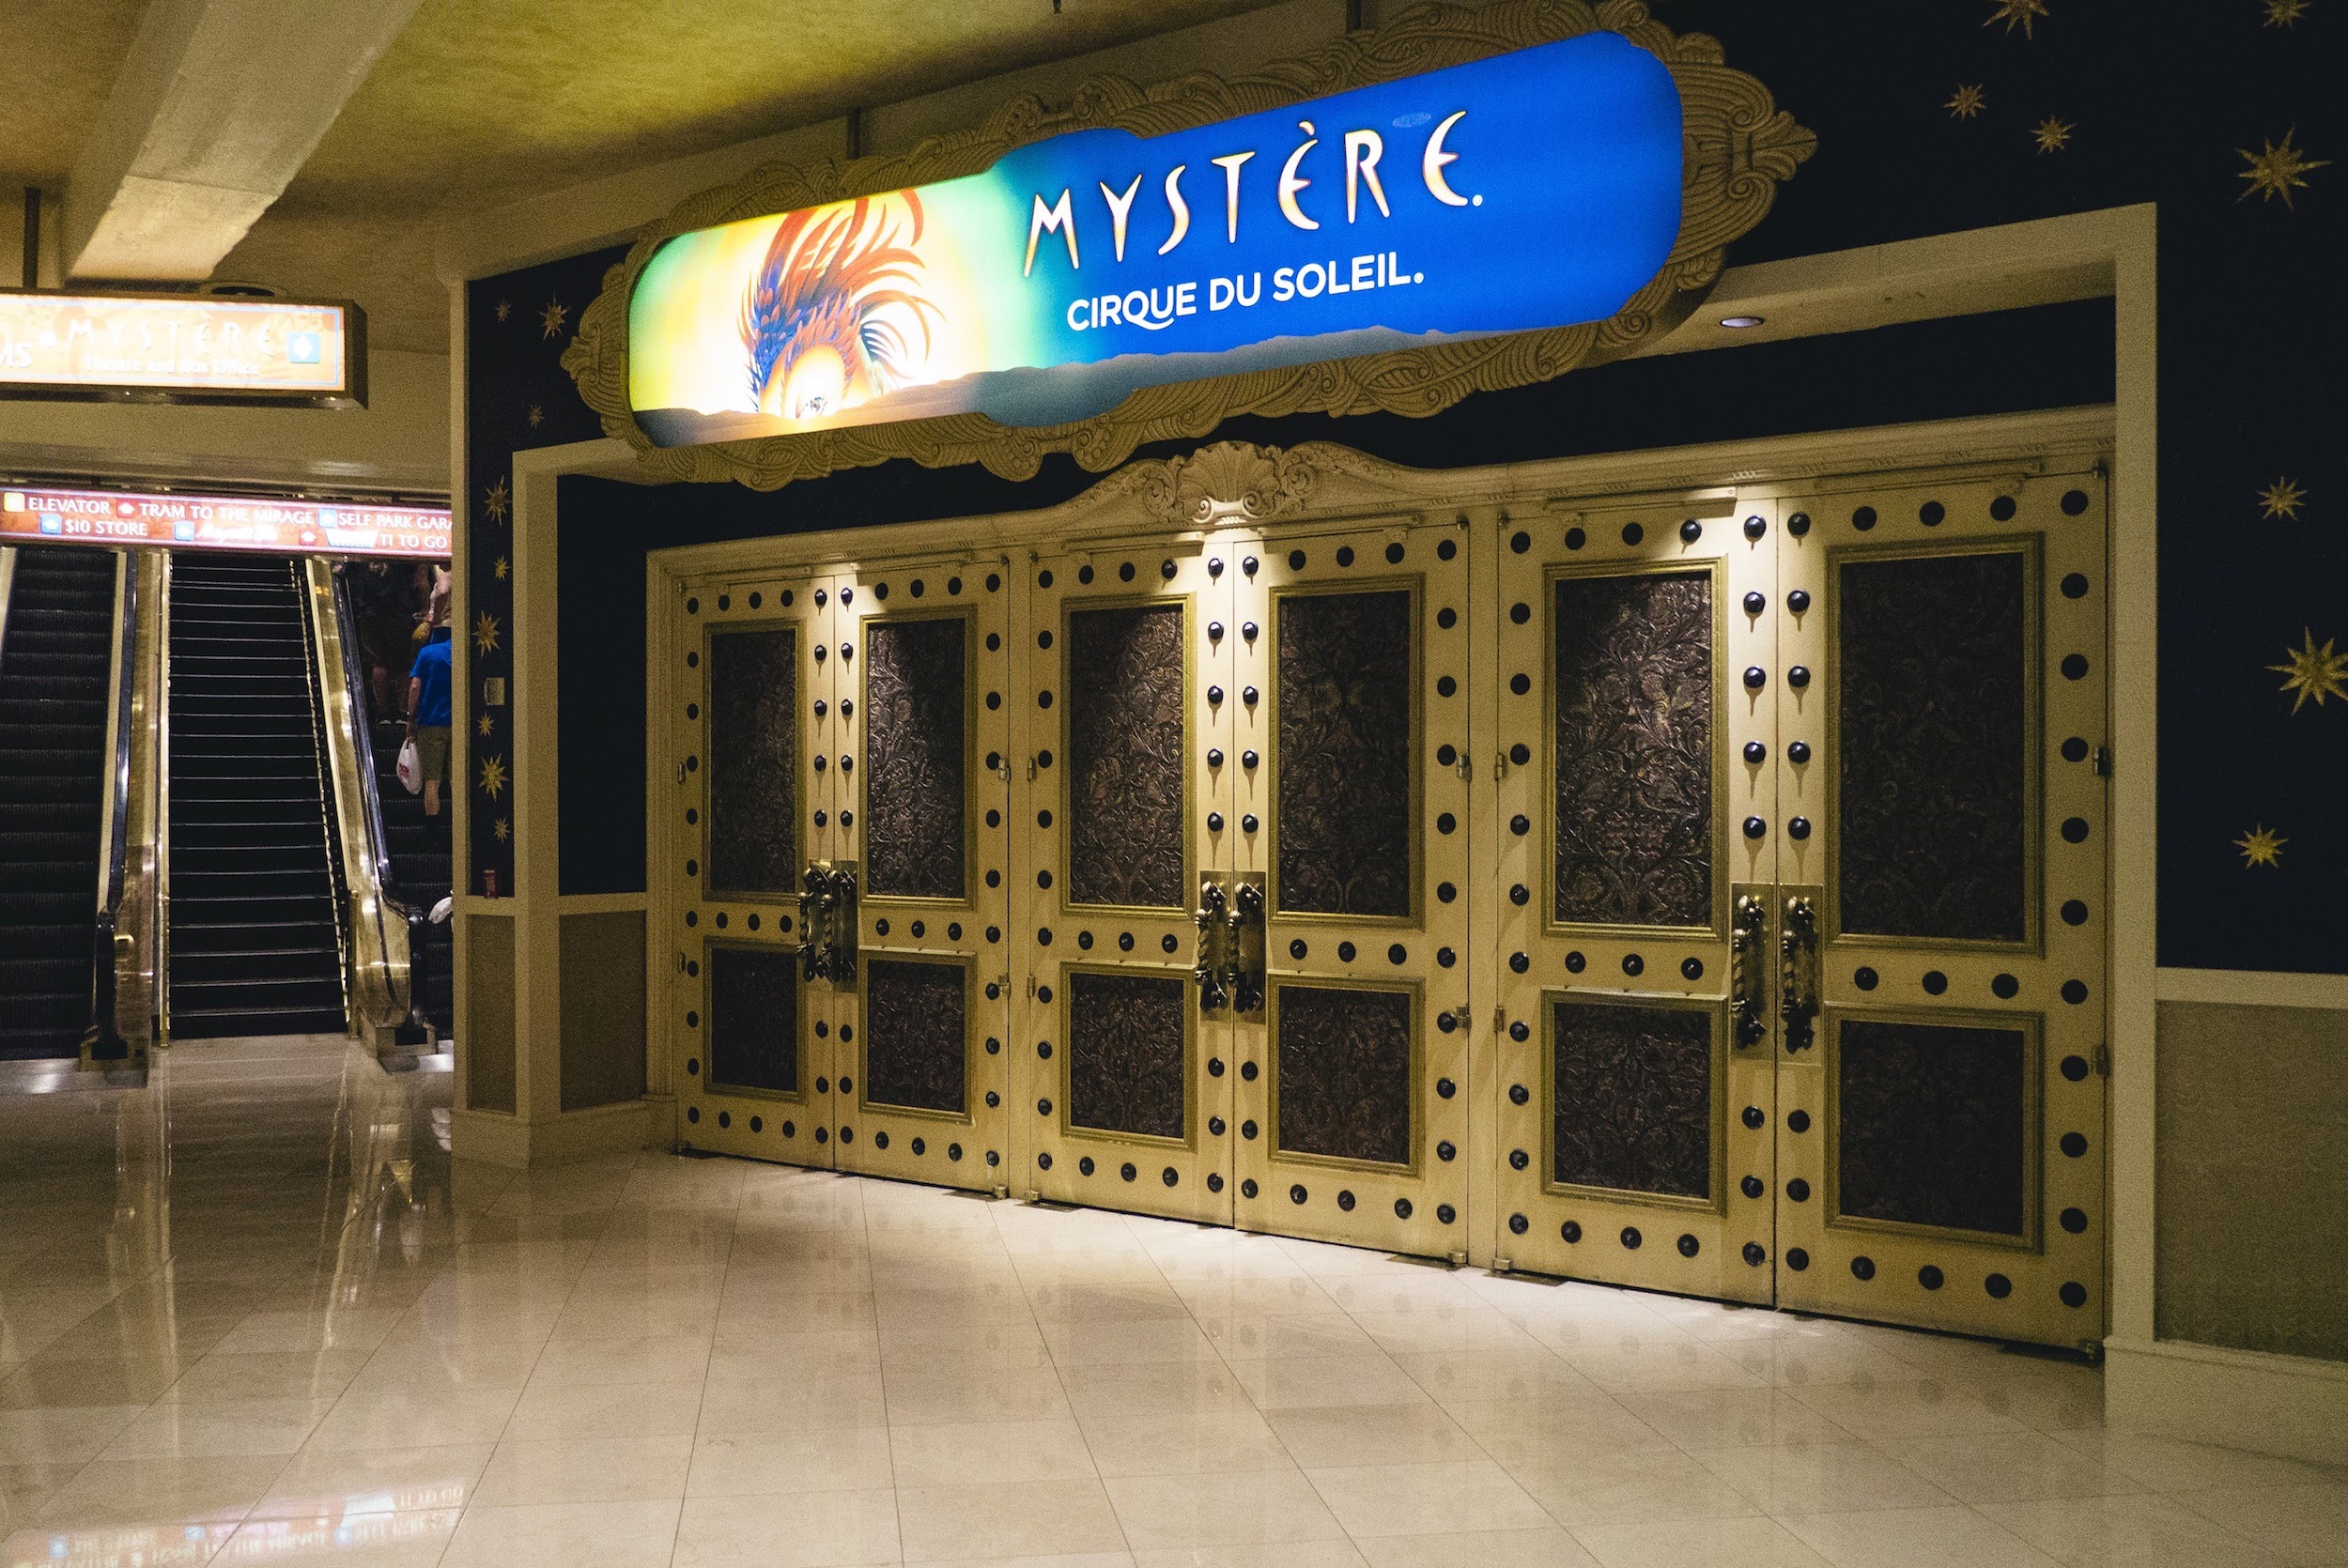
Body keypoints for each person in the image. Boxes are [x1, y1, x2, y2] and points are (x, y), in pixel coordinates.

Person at [406, 597, 455, 818]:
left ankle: (433, 832)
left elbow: (415, 686)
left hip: (430, 723)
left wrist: (410, 718)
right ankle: (459, 827)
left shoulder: (427, 653)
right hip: (458, 723)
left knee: (432, 782)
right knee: (458, 781)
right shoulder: (462, 652)